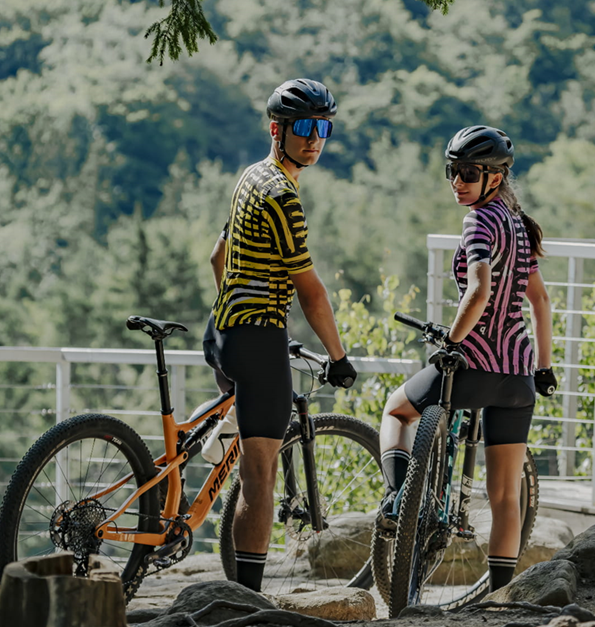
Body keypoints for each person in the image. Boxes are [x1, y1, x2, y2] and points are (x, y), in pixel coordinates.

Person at [376, 125, 556, 593]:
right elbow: (540, 303)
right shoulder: (520, 225)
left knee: (397, 409)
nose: (458, 181)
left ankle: (400, 499)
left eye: (469, 173)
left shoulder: (480, 222)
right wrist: (545, 366)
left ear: (494, 177)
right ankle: (499, 596)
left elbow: (478, 292)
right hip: (518, 376)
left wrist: (452, 343)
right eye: (453, 171)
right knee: (503, 497)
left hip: (473, 365)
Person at [204, 78, 358, 592]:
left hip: (221, 331)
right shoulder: (282, 197)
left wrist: (237, 306)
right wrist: (338, 357)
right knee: (260, 477)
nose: (315, 139)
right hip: (257, 338)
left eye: (324, 129)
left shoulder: (250, 177)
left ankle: (224, 428)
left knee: (250, 418)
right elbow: (311, 291)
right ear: (278, 129)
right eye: (305, 128)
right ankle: (246, 597)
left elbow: (217, 257)